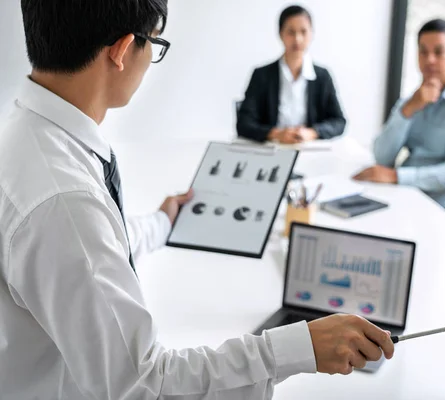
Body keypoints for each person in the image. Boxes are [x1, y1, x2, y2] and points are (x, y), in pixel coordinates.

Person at [0, 1, 394, 399]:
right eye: (155, 43)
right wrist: (299, 347)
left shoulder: (26, 136)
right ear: (121, 51)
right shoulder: (64, 202)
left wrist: (161, 222)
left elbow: (87, 248)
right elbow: (146, 384)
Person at [354, 19, 445, 218]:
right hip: (401, 196)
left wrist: (397, 176)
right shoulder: (413, 99)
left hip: (440, 209)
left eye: (439, 52)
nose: (429, 60)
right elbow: (382, 157)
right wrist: (408, 110)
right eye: (423, 52)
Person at [236, 5, 346, 144]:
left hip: (310, 150)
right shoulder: (262, 75)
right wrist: (276, 134)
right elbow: (244, 124)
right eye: (291, 32)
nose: (297, 39)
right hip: (272, 149)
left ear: (311, 34)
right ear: (281, 34)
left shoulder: (322, 76)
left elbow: (339, 122)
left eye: (303, 32)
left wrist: (312, 133)